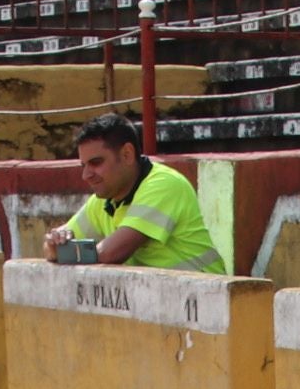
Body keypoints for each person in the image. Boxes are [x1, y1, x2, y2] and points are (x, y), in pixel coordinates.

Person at [39, 112, 225, 273]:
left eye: (96, 163)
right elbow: (50, 248)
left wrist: (64, 252)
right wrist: (55, 242)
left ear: (127, 154)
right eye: (83, 165)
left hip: (209, 306)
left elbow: (111, 253)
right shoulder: (103, 201)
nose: (86, 175)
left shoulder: (164, 184)